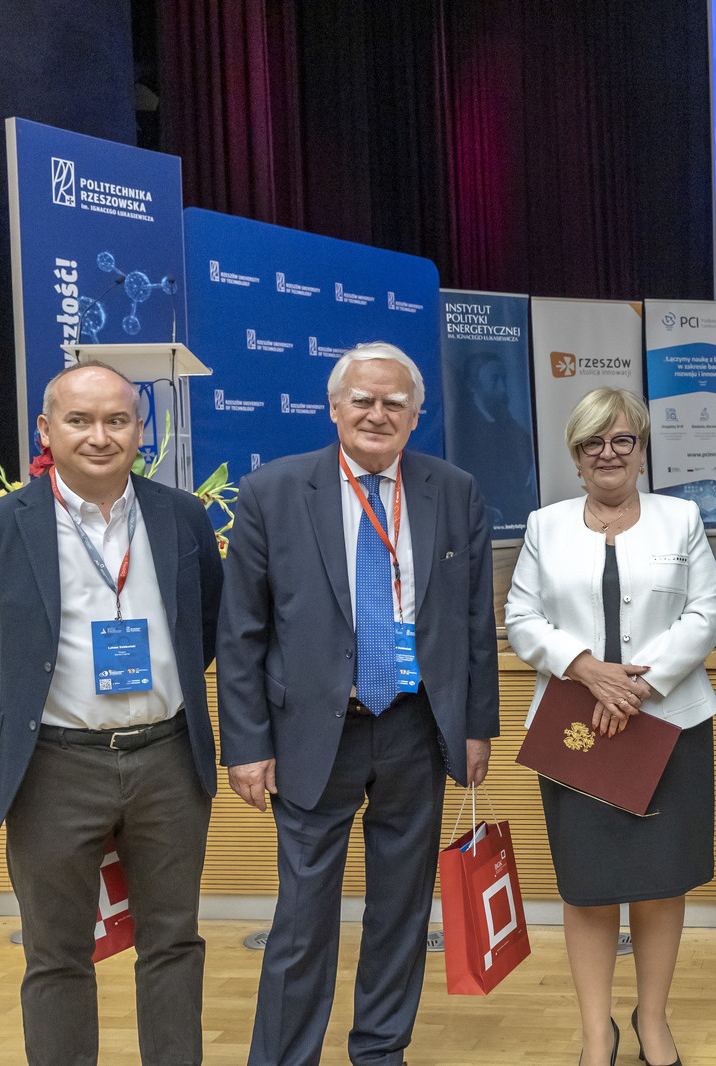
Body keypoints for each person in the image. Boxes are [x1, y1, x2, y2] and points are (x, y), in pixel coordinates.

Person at [217, 341, 498, 1066]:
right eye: (363, 401)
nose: (378, 414)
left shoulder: (454, 490)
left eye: (394, 403)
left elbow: (473, 621)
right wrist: (246, 744)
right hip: (312, 733)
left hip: (416, 728)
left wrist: (475, 728)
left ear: (416, 416)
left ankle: (380, 1051)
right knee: (302, 917)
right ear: (335, 408)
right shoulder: (273, 491)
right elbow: (241, 632)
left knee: (402, 910)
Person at [0, 361, 223, 1066]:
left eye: (116, 420)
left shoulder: (182, 515)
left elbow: (207, 626)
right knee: (56, 954)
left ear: (139, 429)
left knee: (173, 943)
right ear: (46, 430)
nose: (99, 436)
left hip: (167, 761)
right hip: (52, 768)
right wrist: (35, 704)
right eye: (79, 420)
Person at [505, 387, 716, 1066]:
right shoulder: (544, 525)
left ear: (642, 449)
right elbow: (521, 618)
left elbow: (707, 612)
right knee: (588, 886)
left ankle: (652, 1022)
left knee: (662, 883)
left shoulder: (681, 518)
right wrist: (585, 668)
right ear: (575, 456)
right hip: (575, 733)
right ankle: (596, 1032)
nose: (608, 453)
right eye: (592, 442)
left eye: (622, 439)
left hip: (669, 727)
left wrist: (638, 685)